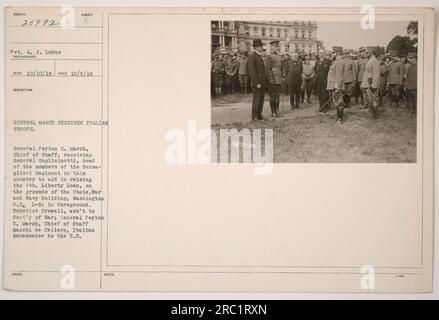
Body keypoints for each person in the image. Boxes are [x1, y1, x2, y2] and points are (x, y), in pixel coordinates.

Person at [248, 38, 267, 121]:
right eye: (260, 46)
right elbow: (252, 71)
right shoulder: (252, 56)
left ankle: (259, 114)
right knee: (256, 99)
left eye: (261, 46)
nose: (261, 48)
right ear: (255, 47)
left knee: (261, 99)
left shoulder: (259, 56)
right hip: (257, 83)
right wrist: (257, 83)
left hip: (262, 82)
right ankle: (254, 116)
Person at [265, 40, 284, 118]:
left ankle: (277, 110)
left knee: (278, 96)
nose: (277, 48)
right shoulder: (269, 56)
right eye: (276, 46)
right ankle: (273, 112)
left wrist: (283, 76)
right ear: (271, 47)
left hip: (279, 79)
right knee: (272, 96)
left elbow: (282, 68)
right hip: (272, 80)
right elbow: (267, 69)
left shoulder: (280, 56)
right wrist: (270, 79)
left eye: (278, 46)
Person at [361, 51, 380, 117]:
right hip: (367, 84)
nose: (365, 54)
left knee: (374, 99)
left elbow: (376, 74)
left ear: (372, 53)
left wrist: (374, 85)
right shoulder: (370, 61)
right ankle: (372, 112)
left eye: (367, 53)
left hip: (371, 84)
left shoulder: (375, 61)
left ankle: (375, 114)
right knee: (370, 99)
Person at [333, 51, 345, 122]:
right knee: (337, 102)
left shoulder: (339, 62)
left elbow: (340, 76)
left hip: (338, 85)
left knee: (339, 102)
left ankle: (340, 119)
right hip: (337, 84)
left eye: (333, 53)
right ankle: (338, 118)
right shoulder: (338, 61)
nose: (332, 54)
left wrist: (338, 87)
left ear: (337, 54)